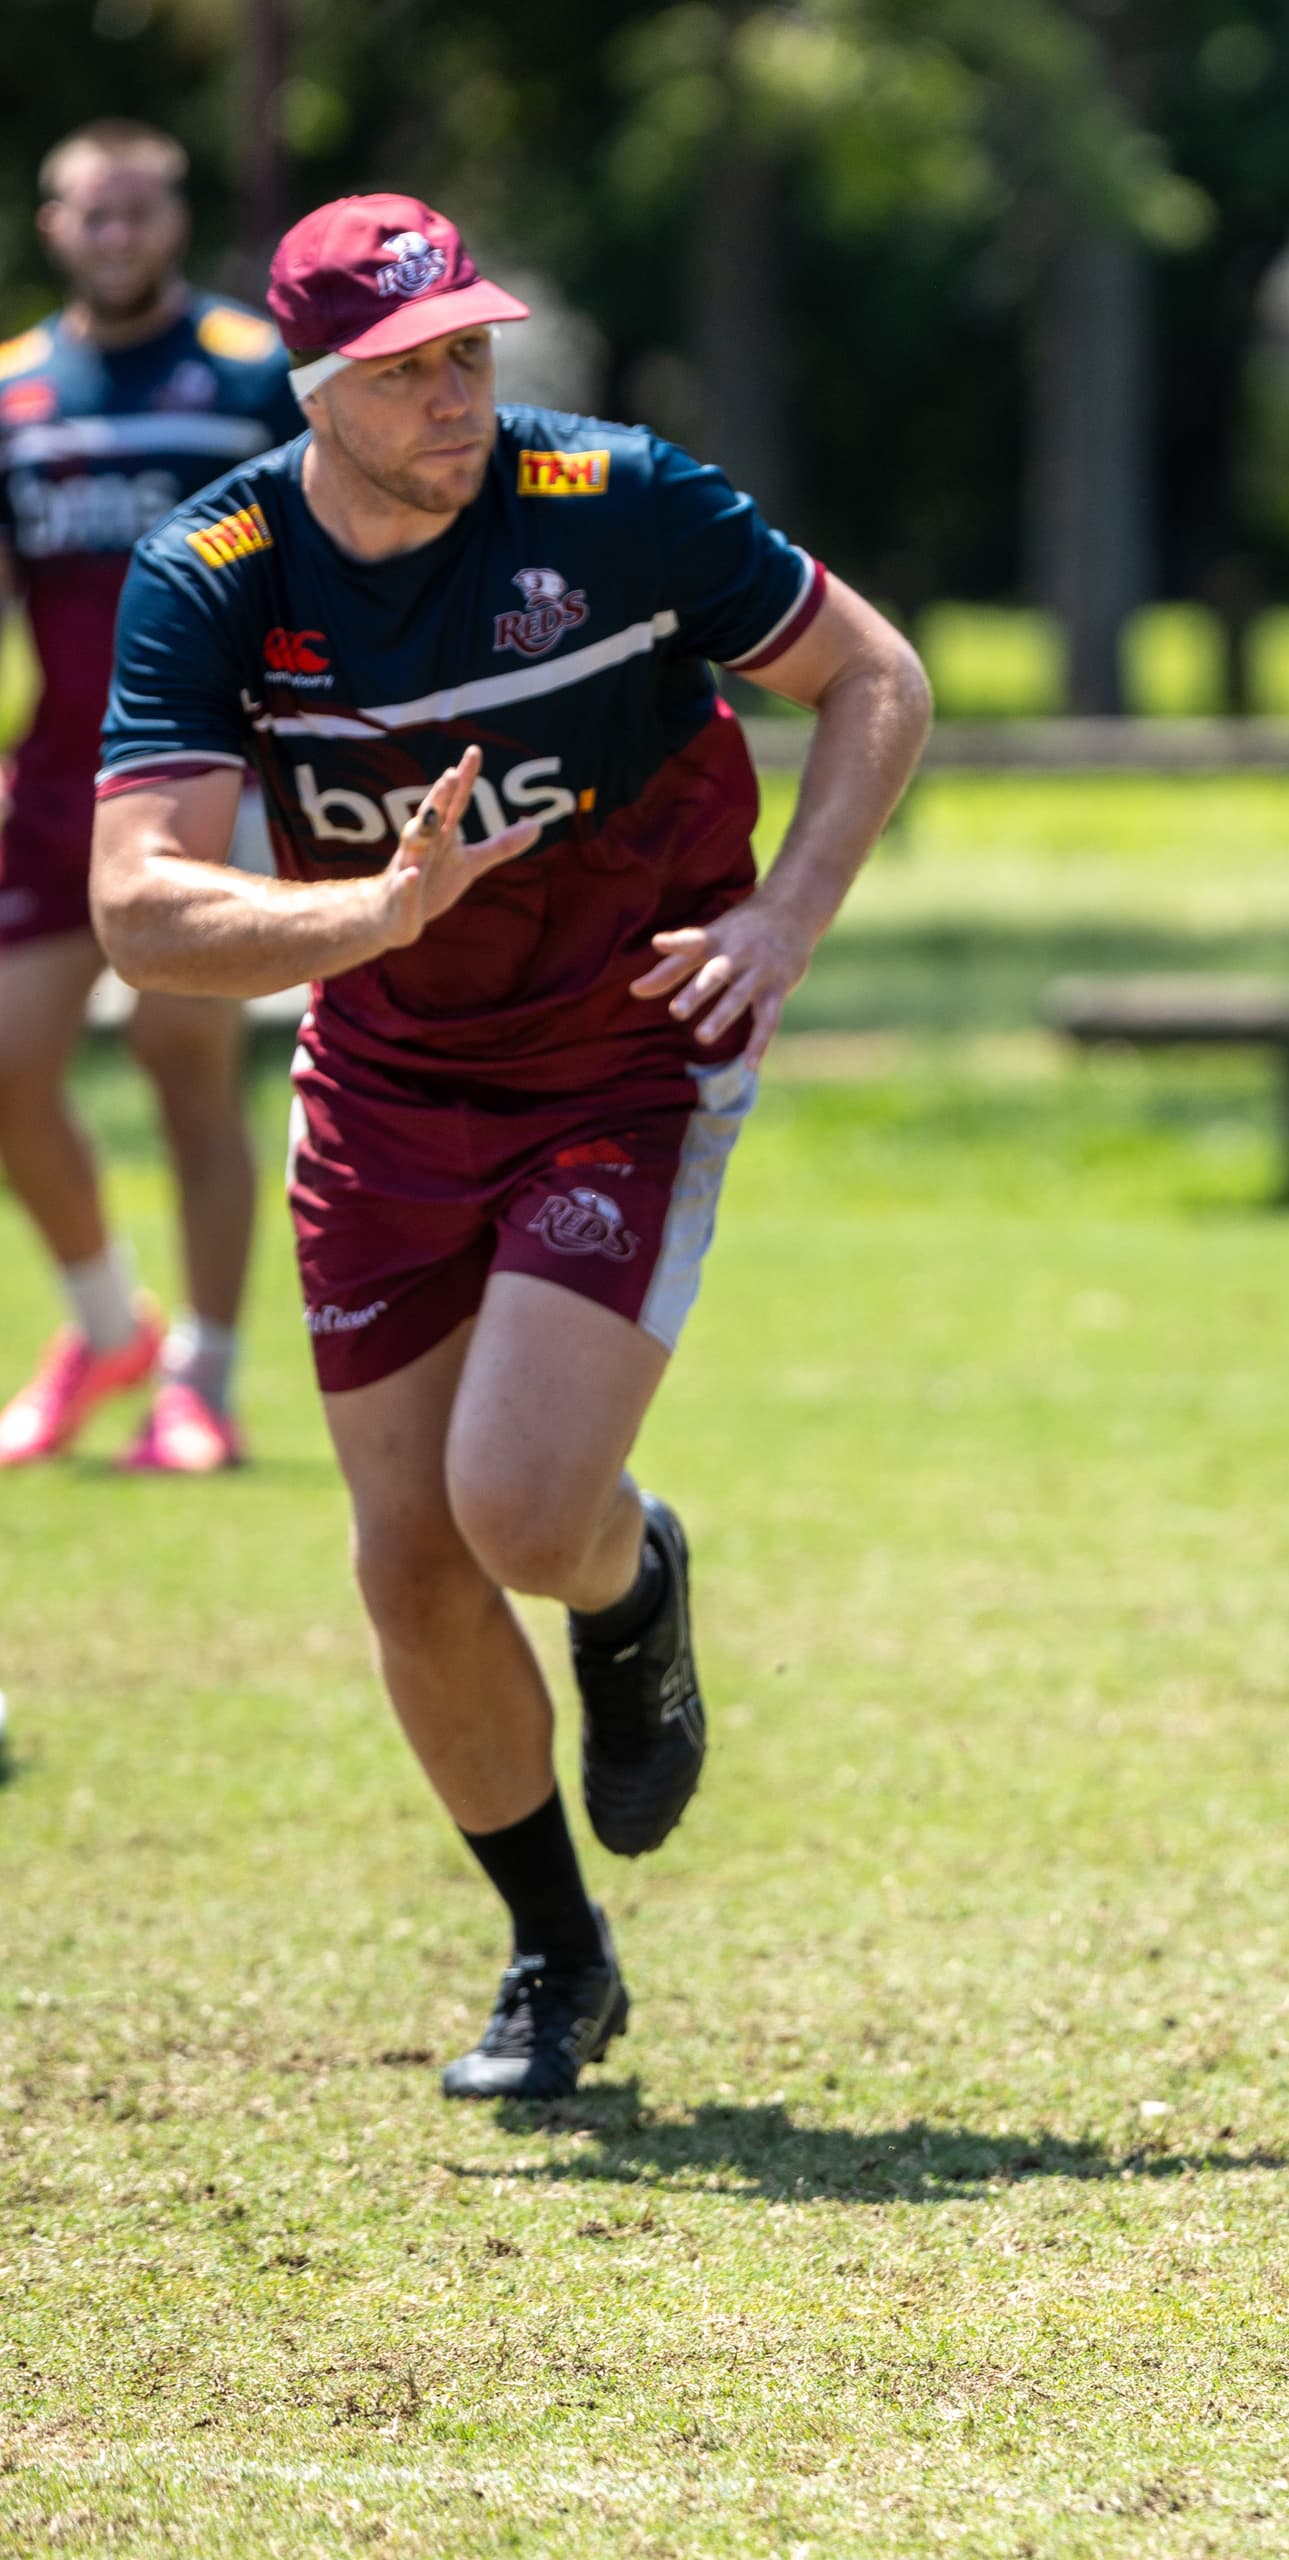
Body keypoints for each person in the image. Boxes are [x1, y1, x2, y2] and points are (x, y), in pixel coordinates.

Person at [88, 195, 931, 2096]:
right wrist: (367, 921)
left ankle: (631, 1589)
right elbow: (138, 908)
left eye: (473, 349)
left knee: (524, 1510)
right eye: (410, 370)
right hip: (384, 1073)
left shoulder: (622, 499)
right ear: (317, 390)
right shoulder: (213, 572)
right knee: (408, 1569)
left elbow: (878, 679)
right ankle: (559, 1958)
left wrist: (784, 920)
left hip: (626, 1049)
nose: (462, 394)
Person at [0, 121, 300, 1471]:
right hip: (59, 783)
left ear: (171, 222)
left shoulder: (251, 375)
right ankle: (107, 1324)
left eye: (137, 212)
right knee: (10, 1069)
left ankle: (208, 1384)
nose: (114, 234)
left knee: (187, 1068)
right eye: (90, 214)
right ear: (54, 225)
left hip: (207, 776)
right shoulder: (12, 388)